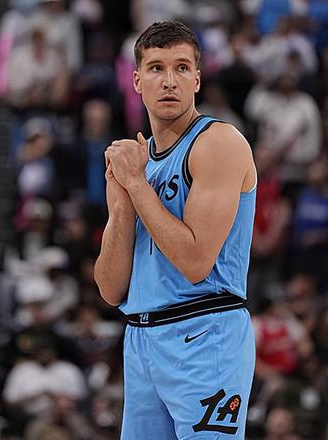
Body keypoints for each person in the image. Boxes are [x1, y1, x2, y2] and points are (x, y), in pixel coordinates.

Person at [94, 20, 257, 439]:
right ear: (136, 81)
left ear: (197, 80)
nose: (169, 81)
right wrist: (122, 200)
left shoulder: (218, 143)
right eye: (156, 68)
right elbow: (110, 288)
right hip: (141, 338)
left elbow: (195, 261)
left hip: (204, 332)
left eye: (182, 68)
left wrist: (135, 184)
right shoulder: (136, 160)